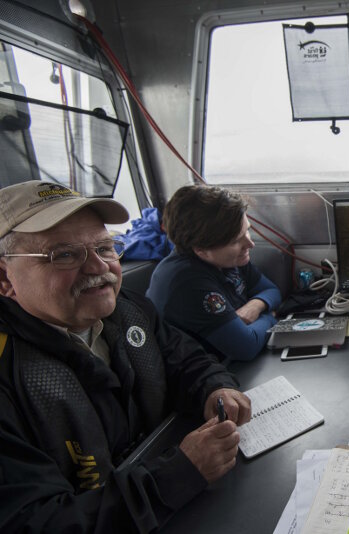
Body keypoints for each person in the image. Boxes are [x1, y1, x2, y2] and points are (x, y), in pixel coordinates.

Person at [0, 180, 252, 532]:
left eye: (105, 247)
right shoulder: (9, 377)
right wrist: (177, 475)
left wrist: (215, 388)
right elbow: (35, 522)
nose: (96, 267)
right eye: (65, 255)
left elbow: (188, 360)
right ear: (4, 278)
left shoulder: (128, 310)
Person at [146, 185, 282, 362]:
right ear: (201, 250)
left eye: (247, 230)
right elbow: (246, 347)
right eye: (235, 241)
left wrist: (255, 306)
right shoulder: (187, 282)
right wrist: (271, 316)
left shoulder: (227, 258)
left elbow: (272, 291)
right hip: (200, 376)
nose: (250, 244)